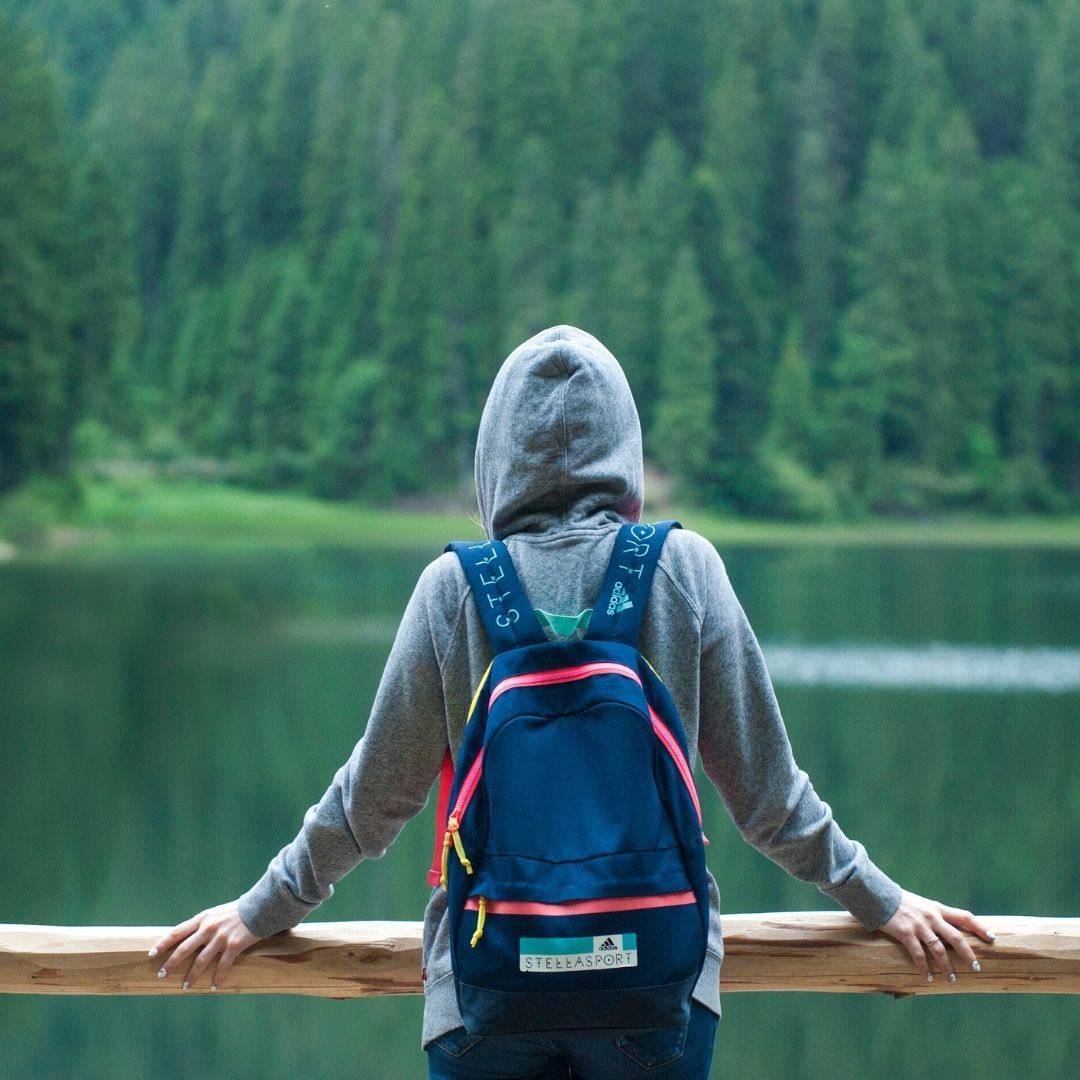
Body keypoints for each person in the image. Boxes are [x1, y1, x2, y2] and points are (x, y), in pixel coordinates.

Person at [151, 326, 994, 1079]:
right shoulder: (683, 569)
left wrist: (261, 910)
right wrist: (882, 900)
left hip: (487, 996)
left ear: (494, 455)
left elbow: (371, 805)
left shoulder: (453, 589)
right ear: (625, 447)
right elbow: (770, 804)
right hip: (653, 990)